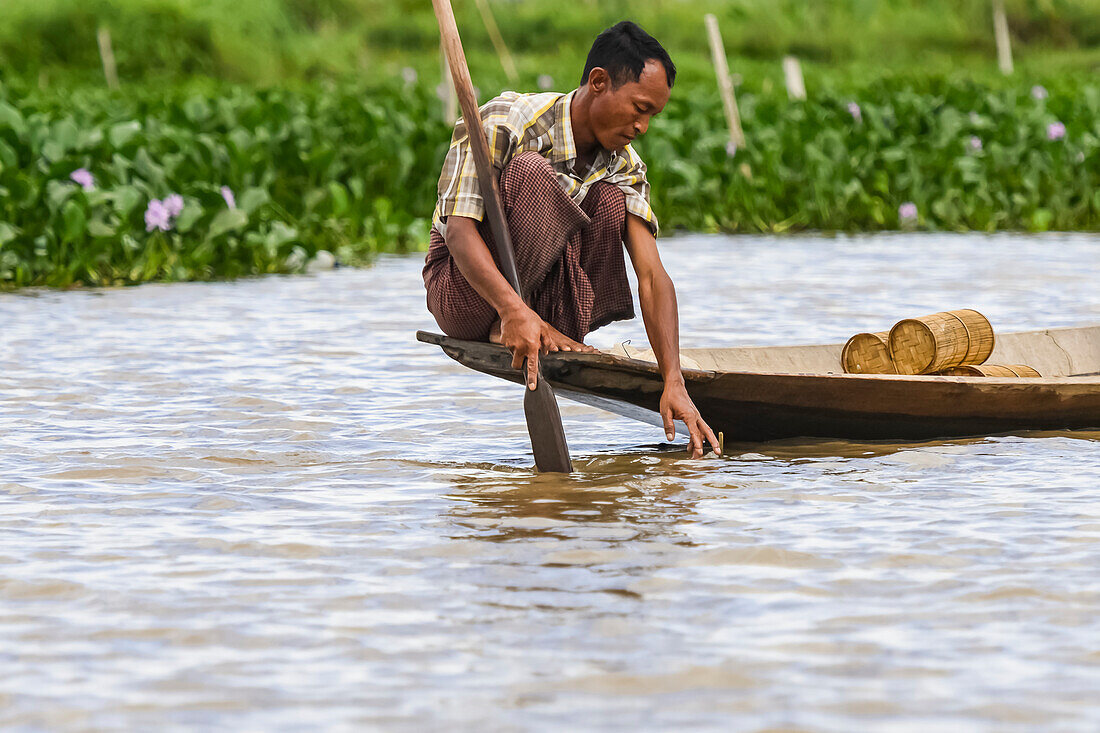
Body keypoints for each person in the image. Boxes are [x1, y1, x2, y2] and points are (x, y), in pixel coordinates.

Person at [423, 20, 719, 458]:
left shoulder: (623, 164)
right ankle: (513, 322)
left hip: (546, 306)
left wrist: (672, 379)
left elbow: (653, 275)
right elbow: (461, 233)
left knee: (609, 200)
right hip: (462, 293)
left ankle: (541, 323)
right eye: (639, 108)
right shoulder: (509, 121)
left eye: (652, 115)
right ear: (598, 82)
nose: (643, 127)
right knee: (531, 172)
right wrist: (511, 310)